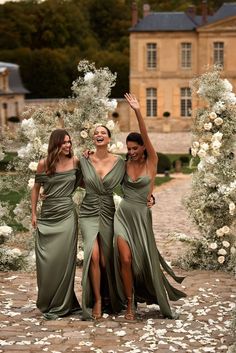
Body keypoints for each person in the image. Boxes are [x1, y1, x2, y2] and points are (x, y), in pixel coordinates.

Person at [113, 93, 186, 320]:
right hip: (124, 215)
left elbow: (145, 134)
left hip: (142, 217)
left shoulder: (152, 161)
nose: (131, 152)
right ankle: (129, 305)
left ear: (143, 148)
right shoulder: (123, 164)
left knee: (141, 262)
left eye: (135, 148)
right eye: (129, 148)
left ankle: (140, 292)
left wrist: (137, 111)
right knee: (125, 259)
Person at [31, 129, 82, 320]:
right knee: (47, 261)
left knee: (65, 261)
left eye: (69, 142)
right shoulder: (44, 164)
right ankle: (49, 301)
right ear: (56, 144)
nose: (68, 145)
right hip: (48, 215)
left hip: (67, 215)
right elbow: (36, 189)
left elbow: (84, 181)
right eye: (64, 143)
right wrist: (34, 213)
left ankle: (64, 303)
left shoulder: (76, 161)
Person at [78, 125, 126, 320]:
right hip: (88, 211)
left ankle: (108, 295)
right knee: (94, 256)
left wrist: (148, 197)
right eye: (96, 133)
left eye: (102, 133)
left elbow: (130, 183)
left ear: (109, 138)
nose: (99, 135)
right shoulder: (83, 159)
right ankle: (96, 299)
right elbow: (72, 180)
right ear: (93, 139)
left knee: (106, 260)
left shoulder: (119, 162)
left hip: (108, 211)